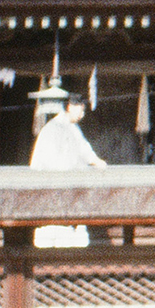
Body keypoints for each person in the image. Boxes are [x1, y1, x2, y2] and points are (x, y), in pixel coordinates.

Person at [29, 96, 107, 247]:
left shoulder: (72, 128)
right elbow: (50, 161)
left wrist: (97, 162)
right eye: (81, 110)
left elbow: (85, 151)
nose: (82, 114)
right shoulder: (53, 128)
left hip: (68, 186)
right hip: (55, 184)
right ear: (70, 106)